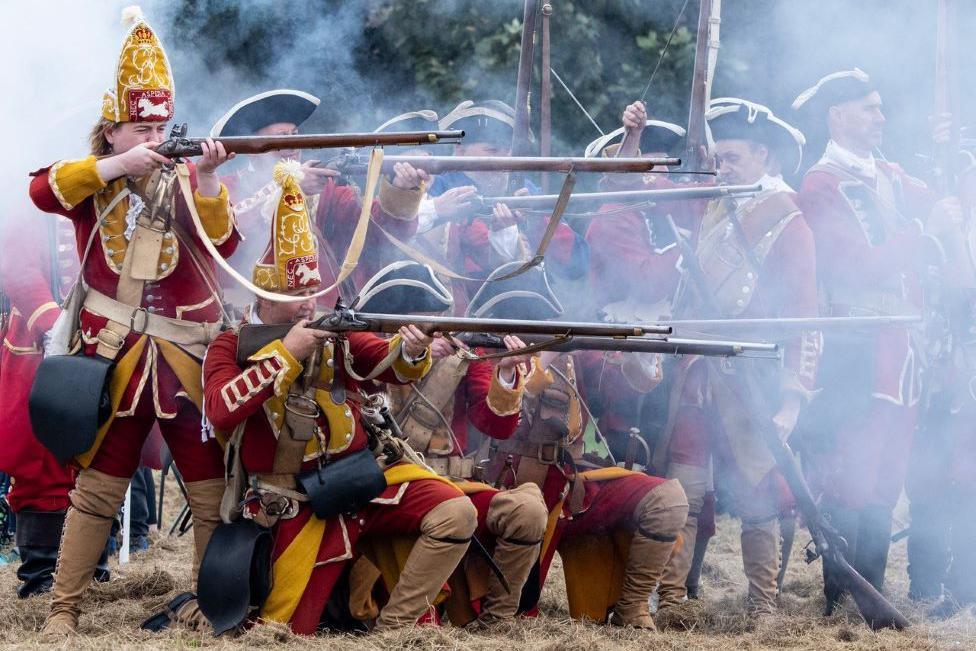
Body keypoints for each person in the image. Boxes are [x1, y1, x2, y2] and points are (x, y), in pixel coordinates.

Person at [27, 8, 239, 634]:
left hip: (182, 363)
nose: (152, 133)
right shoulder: (96, 179)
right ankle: (62, 610)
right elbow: (42, 190)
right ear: (112, 130)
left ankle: (205, 606)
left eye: (159, 124)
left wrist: (206, 180)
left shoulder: (184, 181)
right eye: (139, 125)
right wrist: (121, 168)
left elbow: (224, 247)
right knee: (97, 490)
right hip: (115, 358)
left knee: (206, 492)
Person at [201, 161, 478, 634]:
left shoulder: (335, 336)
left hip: (360, 482)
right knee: (286, 630)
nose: (309, 302)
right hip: (293, 502)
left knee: (456, 510)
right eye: (295, 292)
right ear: (263, 294)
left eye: (312, 289)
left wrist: (410, 349)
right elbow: (222, 408)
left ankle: (396, 629)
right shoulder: (231, 344)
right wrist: (286, 354)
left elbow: (386, 362)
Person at [654, 98, 820, 622]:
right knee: (686, 486)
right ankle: (673, 599)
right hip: (698, 368)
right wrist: (633, 143)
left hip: (756, 375)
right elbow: (650, 195)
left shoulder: (789, 220)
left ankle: (763, 606)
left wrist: (791, 403)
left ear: (764, 158)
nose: (723, 168)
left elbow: (804, 320)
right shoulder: (714, 204)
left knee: (757, 496)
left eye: (734, 159)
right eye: (720, 159)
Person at [792, 68, 941, 606]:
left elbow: (940, 197)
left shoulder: (890, 173)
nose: (881, 117)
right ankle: (843, 593)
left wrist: (945, 153)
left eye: (880, 108)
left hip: (901, 349)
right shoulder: (821, 183)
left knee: (888, 475)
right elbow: (858, 268)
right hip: (857, 347)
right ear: (838, 115)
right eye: (869, 108)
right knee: (852, 473)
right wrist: (920, 234)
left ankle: (872, 592)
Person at [471, 262, 688, 629]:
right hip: (510, 488)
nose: (530, 326)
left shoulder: (570, 355)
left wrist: (638, 351)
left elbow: (619, 388)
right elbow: (498, 418)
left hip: (570, 490)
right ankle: (497, 620)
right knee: (515, 608)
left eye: (538, 318)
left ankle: (632, 609)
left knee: (667, 500)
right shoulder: (482, 356)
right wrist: (543, 355)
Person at [355, 261, 548, 626]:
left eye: (435, 320)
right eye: (420, 322)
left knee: (527, 513)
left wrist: (507, 368)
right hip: (387, 487)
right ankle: (394, 631)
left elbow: (497, 424)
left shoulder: (461, 355)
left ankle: (497, 624)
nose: (433, 330)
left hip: (452, 486)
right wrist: (410, 353)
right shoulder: (363, 353)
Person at [211, 91, 430, 309]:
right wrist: (290, 190)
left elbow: (380, 233)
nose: (292, 146)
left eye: (295, 136)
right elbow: (228, 241)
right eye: (280, 138)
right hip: (252, 314)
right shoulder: (225, 188)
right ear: (253, 148)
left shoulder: (324, 190)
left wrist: (401, 188)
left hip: (320, 315)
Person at [0, 214, 113, 597]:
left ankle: (94, 567)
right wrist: (55, 326)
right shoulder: (32, 204)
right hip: (38, 345)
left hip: (101, 340)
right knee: (40, 462)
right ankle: (41, 575)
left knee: (98, 457)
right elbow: (17, 267)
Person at [420, 100, 588, 312]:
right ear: (460, 151)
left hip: (523, 310)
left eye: (508, 150)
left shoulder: (526, 189)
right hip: (460, 314)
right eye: (493, 150)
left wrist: (536, 219)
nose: (505, 158)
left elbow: (577, 263)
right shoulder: (438, 187)